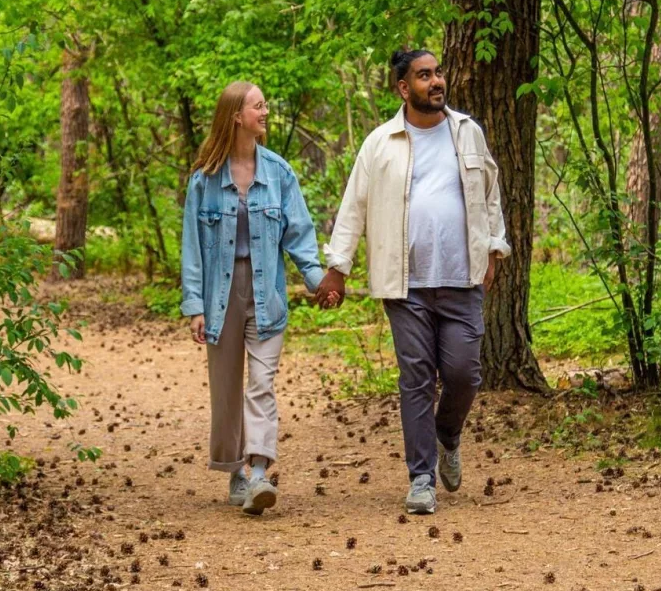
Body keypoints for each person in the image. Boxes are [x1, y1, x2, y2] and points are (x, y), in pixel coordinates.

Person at [316, 50, 508, 514]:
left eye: (438, 72)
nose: (436, 81)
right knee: (417, 377)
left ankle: (448, 433)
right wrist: (338, 267)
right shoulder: (380, 143)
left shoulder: (467, 132)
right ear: (404, 88)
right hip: (405, 284)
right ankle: (421, 476)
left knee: (464, 373)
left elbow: (489, 192)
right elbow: (354, 206)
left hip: (462, 278)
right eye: (424, 76)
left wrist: (494, 249)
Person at [181, 82, 325, 515]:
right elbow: (192, 246)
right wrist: (195, 306)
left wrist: (319, 281)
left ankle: (260, 473)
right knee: (226, 391)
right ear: (235, 117)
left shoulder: (279, 173)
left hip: (267, 294)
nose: (265, 111)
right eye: (257, 105)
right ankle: (236, 475)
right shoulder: (203, 181)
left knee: (262, 384)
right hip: (219, 295)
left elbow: (299, 234)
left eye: (265, 103)